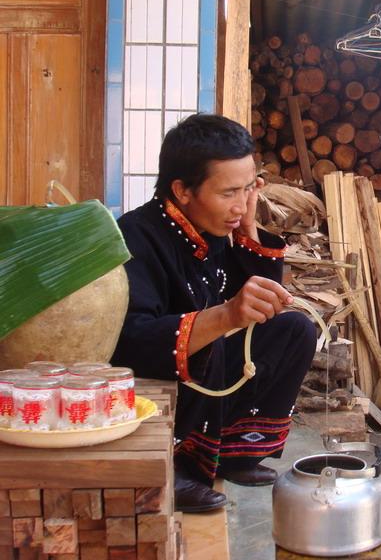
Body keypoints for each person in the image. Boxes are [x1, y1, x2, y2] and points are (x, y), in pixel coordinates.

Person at [112, 114, 315, 512]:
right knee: (211, 344)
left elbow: (260, 307)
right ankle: (179, 464)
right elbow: (130, 342)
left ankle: (236, 453)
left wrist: (250, 226)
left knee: (295, 329)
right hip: (158, 383)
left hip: (208, 377)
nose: (239, 206)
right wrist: (222, 318)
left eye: (247, 190)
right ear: (182, 190)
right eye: (228, 193)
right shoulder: (137, 236)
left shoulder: (215, 225)